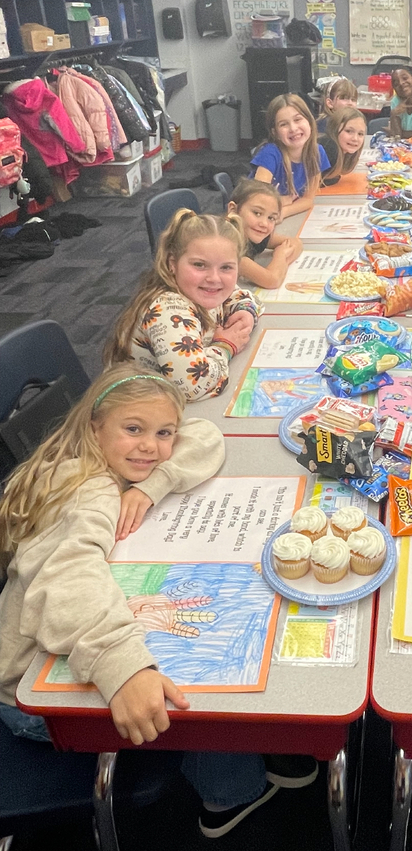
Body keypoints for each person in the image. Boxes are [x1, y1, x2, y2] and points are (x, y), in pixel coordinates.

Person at [0, 366, 318, 840]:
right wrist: (121, 666)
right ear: (94, 426)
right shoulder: (86, 491)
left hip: (65, 635)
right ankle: (230, 792)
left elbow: (205, 434)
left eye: (163, 433)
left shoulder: (97, 459)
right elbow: (66, 577)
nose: (151, 446)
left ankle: (251, 750)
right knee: (194, 678)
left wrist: (152, 484)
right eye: (134, 430)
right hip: (32, 695)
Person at [104, 210, 260, 401]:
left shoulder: (198, 289)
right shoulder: (167, 310)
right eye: (199, 265)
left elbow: (238, 294)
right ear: (172, 263)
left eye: (226, 267)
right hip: (136, 408)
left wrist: (246, 312)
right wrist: (226, 346)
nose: (214, 278)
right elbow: (194, 385)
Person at [249, 94, 331, 218]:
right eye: (283, 124)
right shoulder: (270, 154)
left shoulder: (317, 153)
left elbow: (308, 200)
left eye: (298, 119)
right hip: (252, 219)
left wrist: (282, 213)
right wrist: (282, 201)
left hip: (274, 216)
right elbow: (258, 200)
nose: (293, 128)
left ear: (309, 121)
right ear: (275, 133)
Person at [227, 178, 302, 290]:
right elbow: (272, 280)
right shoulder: (229, 249)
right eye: (257, 213)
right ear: (233, 209)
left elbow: (296, 243)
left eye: (271, 218)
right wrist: (281, 255)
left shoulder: (250, 232)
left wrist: (279, 266)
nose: (264, 224)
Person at [318, 106, 367, 185]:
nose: (355, 138)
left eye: (360, 134)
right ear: (335, 130)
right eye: (349, 131)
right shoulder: (328, 147)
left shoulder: (341, 152)